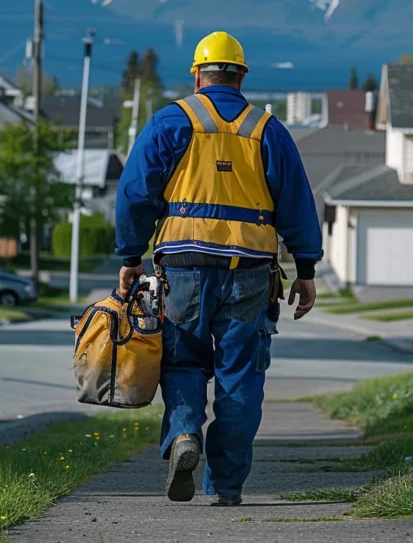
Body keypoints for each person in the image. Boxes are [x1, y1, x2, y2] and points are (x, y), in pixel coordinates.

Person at [115, 31, 322, 506]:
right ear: (242, 75)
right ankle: (226, 485)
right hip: (250, 270)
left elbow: (135, 192)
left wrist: (130, 256)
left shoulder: (172, 121)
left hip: (183, 267)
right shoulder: (266, 129)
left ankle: (185, 433)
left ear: (197, 74)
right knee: (241, 374)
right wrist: (306, 267)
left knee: (183, 360)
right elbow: (296, 203)